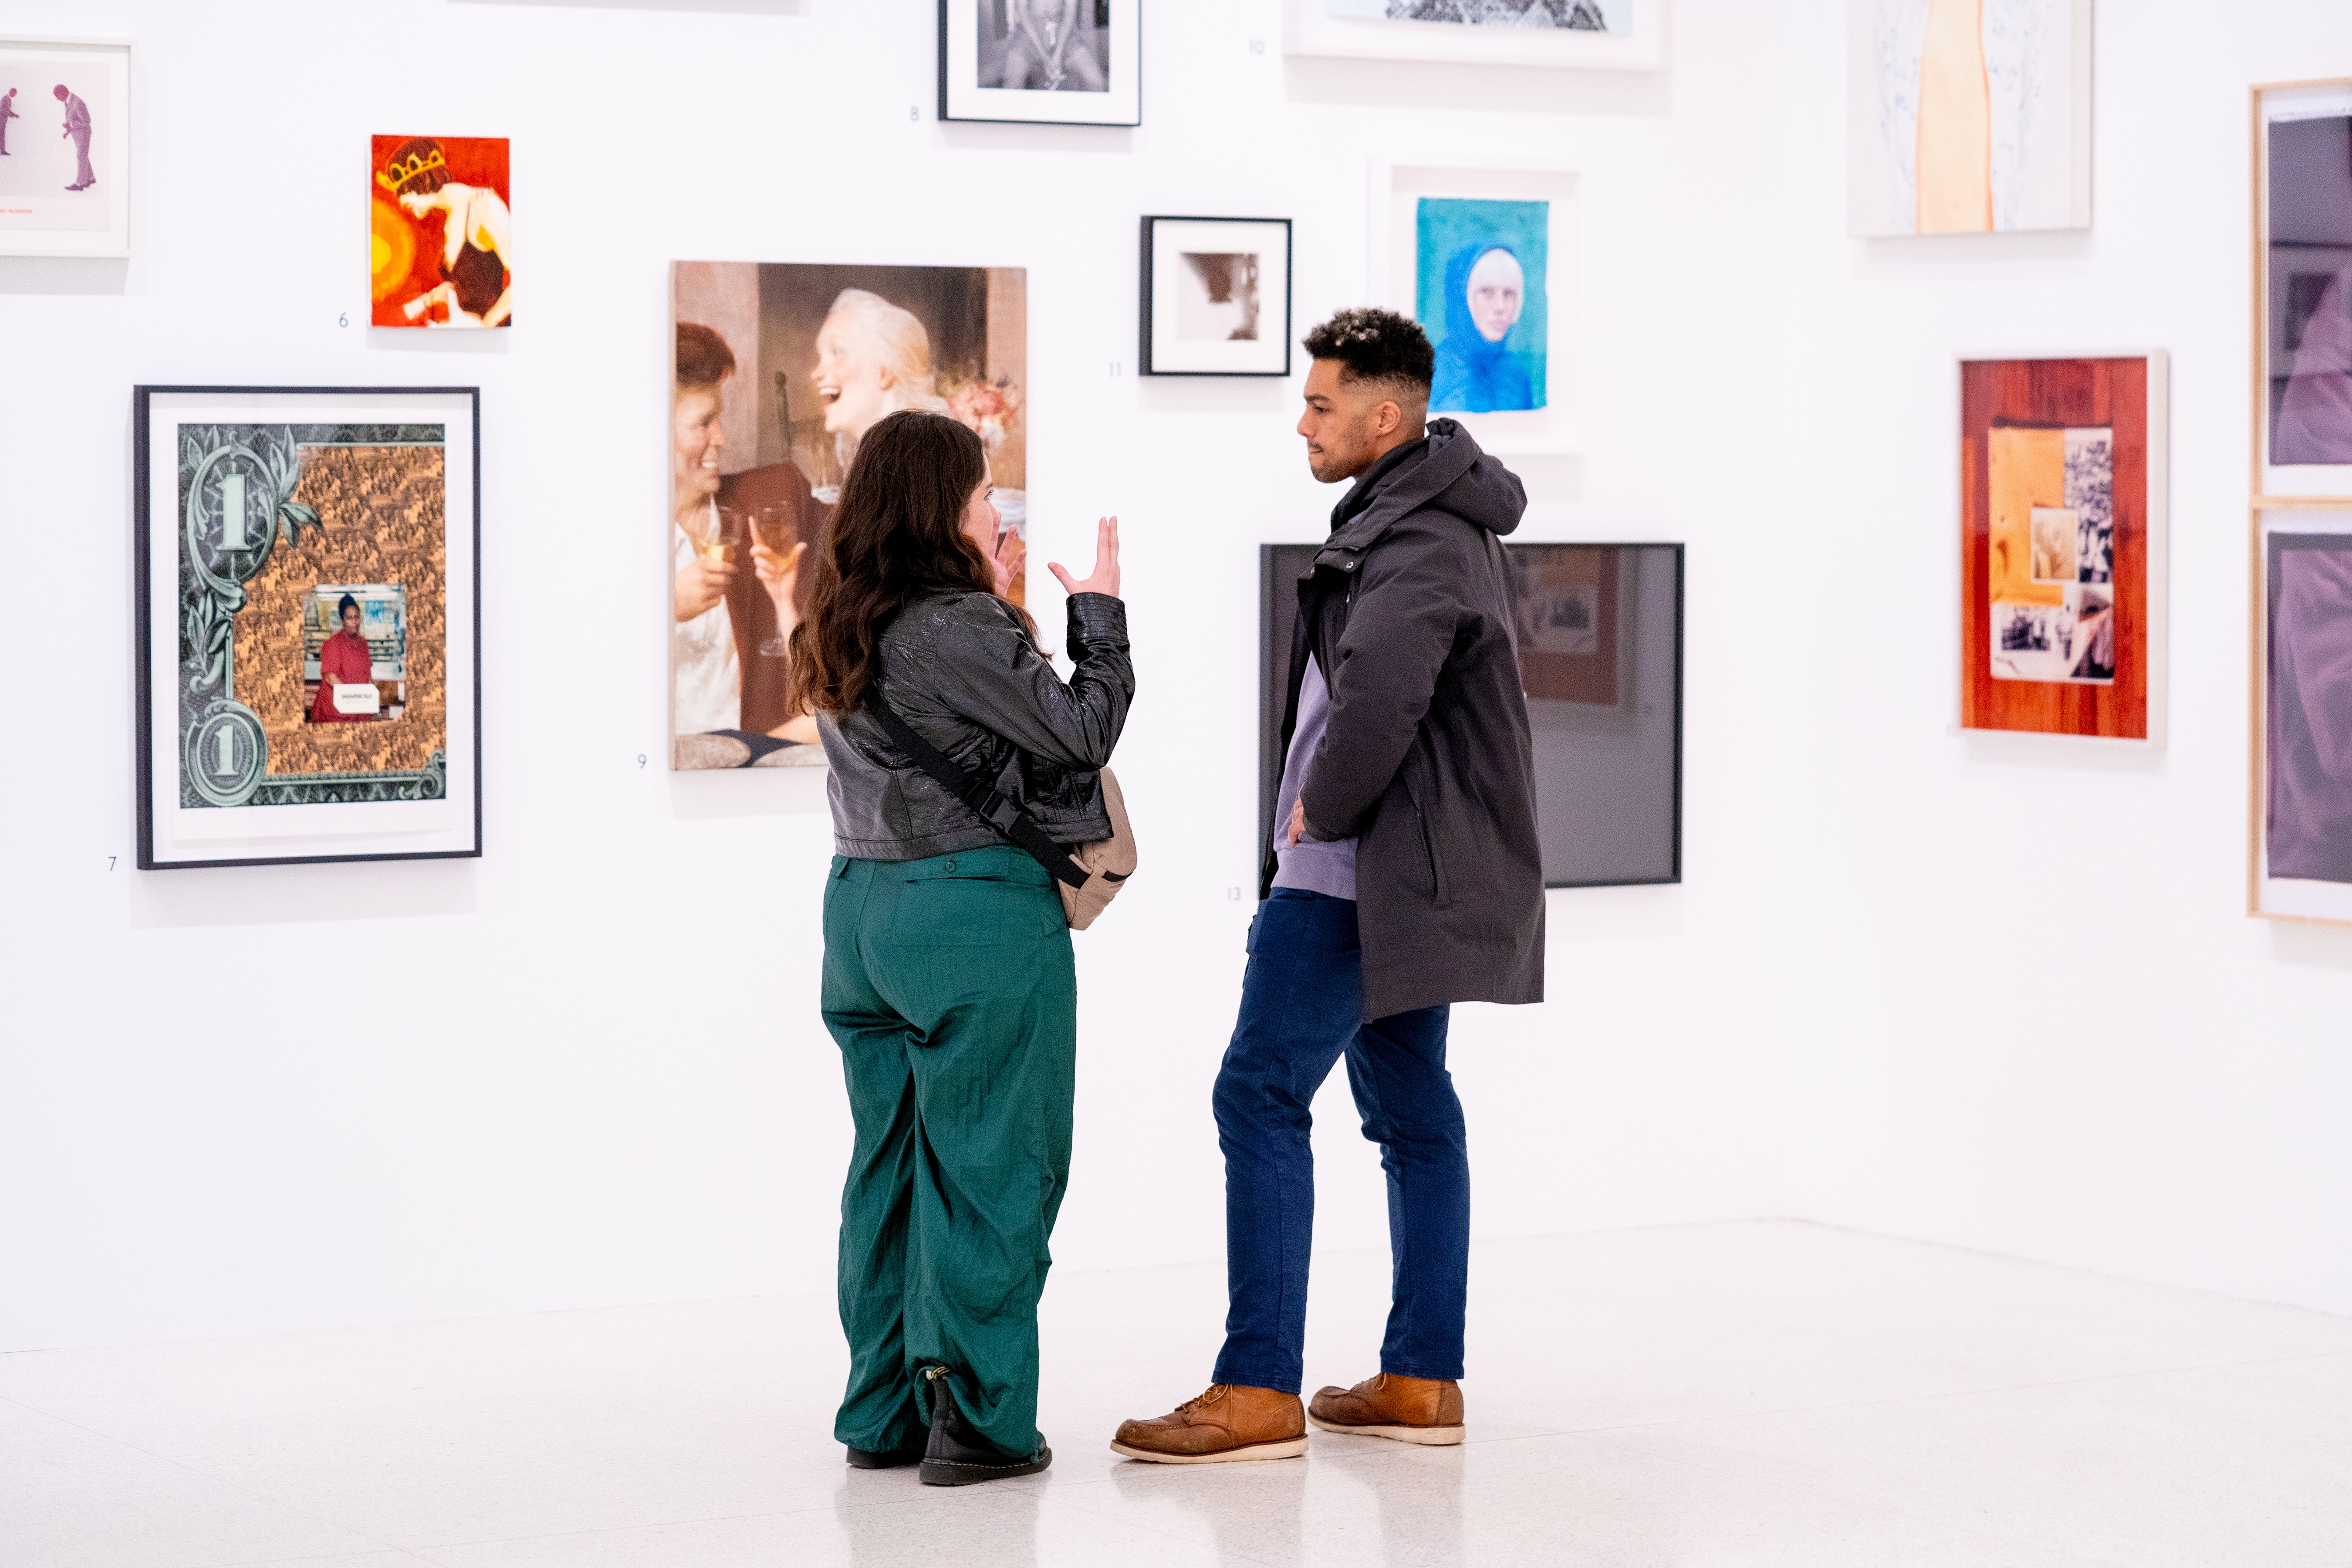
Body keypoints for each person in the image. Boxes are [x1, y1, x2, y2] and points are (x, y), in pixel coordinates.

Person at [1113, 307, 1544, 1465]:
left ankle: (1257, 1386)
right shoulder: (1436, 523)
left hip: (1353, 875)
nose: (1302, 420)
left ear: (1386, 414)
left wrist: (1324, 810)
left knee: (1256, 1096)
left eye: (1320, 403)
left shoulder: (1415, 541)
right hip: (1399, 877)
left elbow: (1381, 699)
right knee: (1412, 1113)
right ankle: (1421, 1377)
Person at [790, 409, 1129, 1487]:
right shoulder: (955, 624)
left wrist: (997, 605)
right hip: (971, 913)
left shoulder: (840, 612)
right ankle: (980, 1421)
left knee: (886, 1171)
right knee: (995, 1166)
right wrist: (1098, 616)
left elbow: (964, 725)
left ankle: (883, 1408)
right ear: (943, 507)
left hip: (861, 911)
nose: (999, 509)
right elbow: (1080, 732)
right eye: (985, 494)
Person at [672, 321, 814, 755]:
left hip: (751, 774)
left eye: (720, 419)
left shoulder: (768, 503)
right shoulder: (607, 540)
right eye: (704, 423)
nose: (722, 439)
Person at [376, 139, 512, 328]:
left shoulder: (484, 207)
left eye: (404, 196)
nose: (403, 206)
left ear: (420, 182)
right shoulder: (451, 216)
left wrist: (485, 327)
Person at [1431, 243, 1537, 413]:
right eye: (1487, 292)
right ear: (1462, 299)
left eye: (1509, 294)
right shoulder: (1432, 373)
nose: (1501, 307)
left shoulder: (1516, 375)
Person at [994, 0, 1107, 92]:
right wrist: (1044, 56)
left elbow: (1070, 12)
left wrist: (1058, 53)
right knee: (1012, 82)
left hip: (1063, 32)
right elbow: (1023, 14)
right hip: (1029, 34)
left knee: (1096, 81)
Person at [311, 595, 376, 724]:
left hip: (360, 712)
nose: (355, 622)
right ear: (342, 621)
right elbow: (330, 677)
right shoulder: (333, 644)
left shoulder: (363, 643)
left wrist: (371, 698)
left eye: (357, 617)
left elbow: (368, 674)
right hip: (336, 713)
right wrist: (355, 699)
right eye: (349, 618)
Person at [54, 84, 92, 191]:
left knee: (81, 156)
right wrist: (68, 131)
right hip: (77, 134)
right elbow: (72, 118)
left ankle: (80, 184)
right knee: (83, 156)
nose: (57, 99)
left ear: (64, 93)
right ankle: (90, 177)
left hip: (84, 134)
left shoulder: (77, 103)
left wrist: (70, 126)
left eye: (57, 96)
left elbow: (87, 122)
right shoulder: (68, 101)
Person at [1, 88, 19, 155]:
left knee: (2, 133)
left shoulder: (9, 99)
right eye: (15, 93)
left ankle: (3, 150)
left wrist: (14, 115)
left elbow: (8, 110)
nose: (15, 95)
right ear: (11, 92)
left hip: (4, 119)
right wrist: (12, 115)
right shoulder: (5, 98)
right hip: (1, 118)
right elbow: (3, 109)